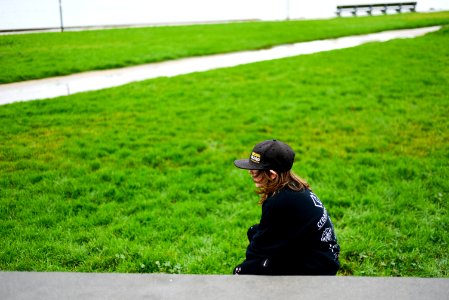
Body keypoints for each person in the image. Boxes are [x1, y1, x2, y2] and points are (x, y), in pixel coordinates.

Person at [233, 139, 340, 275]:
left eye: (255, 171)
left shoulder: (279, 202)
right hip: (325, 256)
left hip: (317, 269)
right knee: (254, 232)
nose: (250, 173)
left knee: (249, 269)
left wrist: (241, 270)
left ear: (272, 174)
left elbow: (259, 250)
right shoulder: (295, 186)